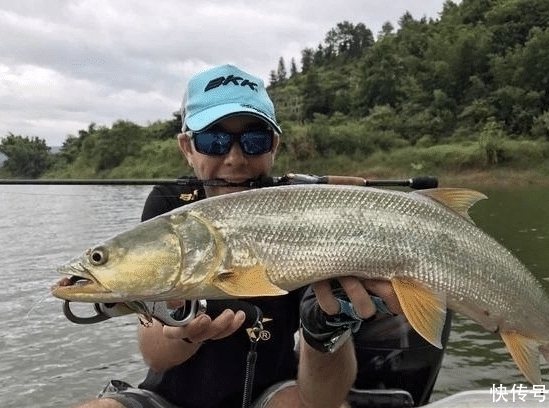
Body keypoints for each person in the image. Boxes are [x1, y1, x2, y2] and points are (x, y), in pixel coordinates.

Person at [72, 64, 448, 408]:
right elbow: (156, 356)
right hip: (169, 396)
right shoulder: (171, 205)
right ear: (187, 148)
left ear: (273, 147)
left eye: (253, 140)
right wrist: (180, 334)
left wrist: (325, 330)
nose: (235, 158)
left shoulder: (306, 211)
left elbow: (323, 399)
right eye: (214, 141)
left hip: (277, 390)